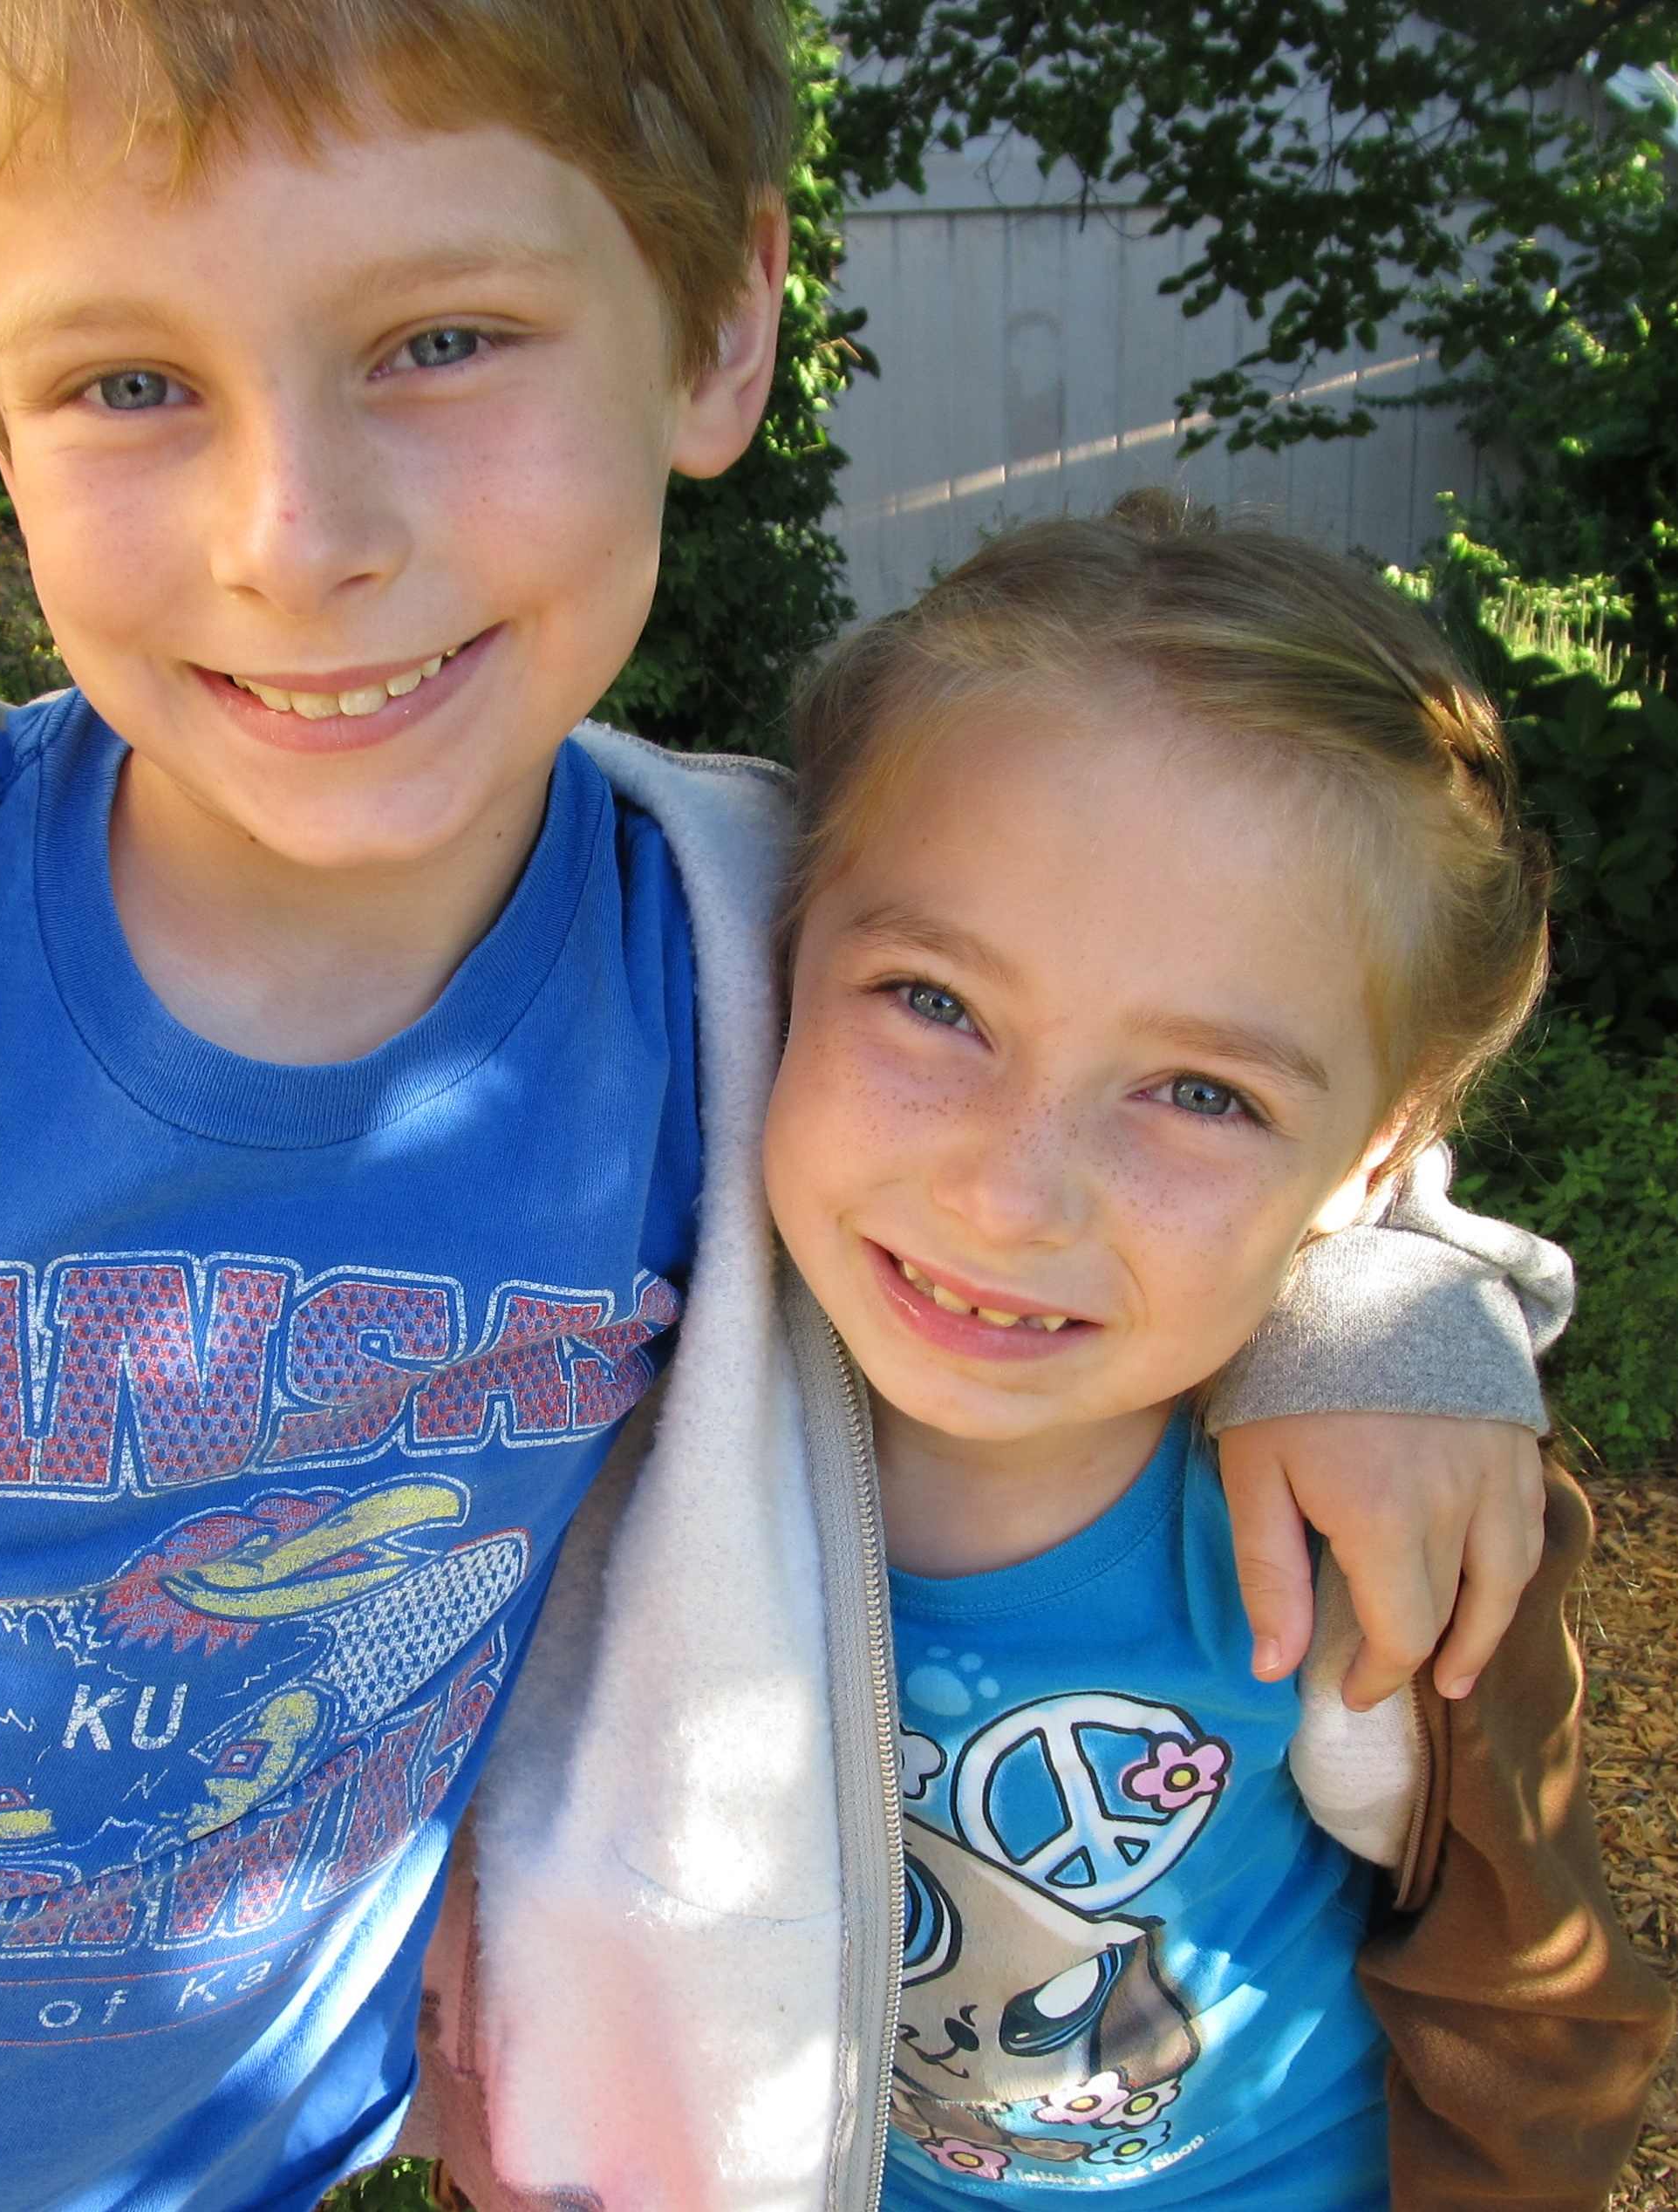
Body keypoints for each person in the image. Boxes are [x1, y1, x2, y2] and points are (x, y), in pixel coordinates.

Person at [0, 0, 1568, 2195]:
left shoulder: (749, 964)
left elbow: (1211, 1060)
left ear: (715, 330)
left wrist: (1375, 1309)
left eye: (440, 343)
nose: (292, 534)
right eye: (129, 383)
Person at [406, 497, 1669, 2209]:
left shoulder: (1360, 1522)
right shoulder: (613, 1343)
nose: (1006, 1192)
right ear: (779, 947)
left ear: (1368, 1156)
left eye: (1199, 1093)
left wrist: (1405, 1306)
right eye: (931, 999)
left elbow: (1524, 1984)